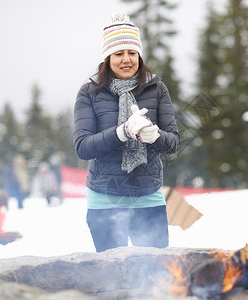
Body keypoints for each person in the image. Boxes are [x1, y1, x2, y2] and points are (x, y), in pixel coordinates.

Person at [73, 12, 180, 252]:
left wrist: (155, 136)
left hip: (148, 196)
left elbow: (173, 142)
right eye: (118, 53)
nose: (126, 59)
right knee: (112, 278)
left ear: (139, 55)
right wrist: (120, 133)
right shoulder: (89, 92)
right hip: (105, 199)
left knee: (154, 273)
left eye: (132, 52)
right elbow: (82, 147)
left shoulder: (156, 88)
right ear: (107, 57)